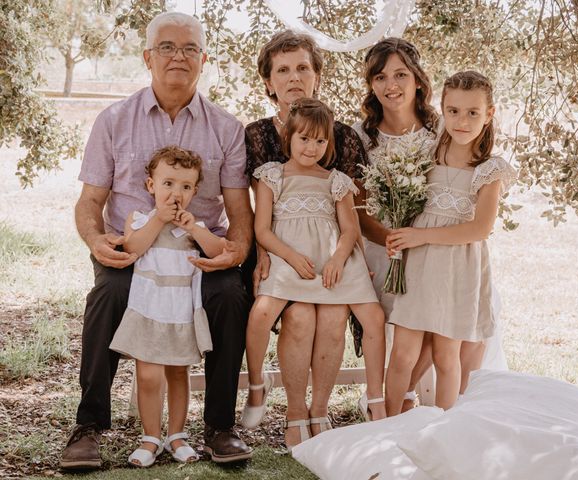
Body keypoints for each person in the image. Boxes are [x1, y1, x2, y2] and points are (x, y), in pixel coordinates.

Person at [60, 12, 253, 470]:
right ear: (148, 57)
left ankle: (220, 428)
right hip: (133, 251)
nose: (177, 56)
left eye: (189, 49)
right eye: (167, 47)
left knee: (228, 295)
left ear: (203, 60)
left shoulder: (225, 128)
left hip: (196, 255)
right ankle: (88, 428)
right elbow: (89, 202)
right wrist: (95, 240)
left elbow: (239, 215)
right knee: (108, 293)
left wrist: (236, 251)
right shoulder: (114, 120)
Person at [243, 30, 369, 449]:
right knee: (299, 316)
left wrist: (348, 258)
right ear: (268, 81)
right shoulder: (257, 135)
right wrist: (263, 253)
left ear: (317, 75)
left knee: (331, 317)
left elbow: (355, 213)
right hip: (280, 256)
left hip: (330, 257)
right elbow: (252, 208)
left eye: (302, 67)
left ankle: (320, 410)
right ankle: (294, 414)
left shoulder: (343, 136)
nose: (294, 77)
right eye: (283, 69)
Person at [384, 71, 517, 413]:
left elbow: (480, 229)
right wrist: (400, 235)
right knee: (403, 353)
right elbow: (407, 204)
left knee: (447, 355)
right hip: (419, 264)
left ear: (489, 115)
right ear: (442, 109)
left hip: (458, 267)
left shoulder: (489, 169)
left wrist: (419, 235)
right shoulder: (425, 155)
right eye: (454, 111)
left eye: (473, 112)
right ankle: (387, 422)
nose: (462, 121)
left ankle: (442, 427)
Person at [108, 146, 219, 467]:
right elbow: (133, 247)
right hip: (148, 312)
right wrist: (159, 218)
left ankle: (177, 435)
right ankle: (150, 437)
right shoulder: (140, 219)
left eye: (185, 187)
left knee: (178, 374)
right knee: (148, 376)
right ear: (151, 186)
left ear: (195, 191)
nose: (176, 193)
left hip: (180, 313)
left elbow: (214, 249)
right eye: (168, 183)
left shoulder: (191, 226)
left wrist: (195, 227)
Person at [352, 37, 439, 413]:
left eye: (401, 74)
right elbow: (357, 208)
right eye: (381, 77)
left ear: (418, 79)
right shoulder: (359, 137)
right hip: (381, 249)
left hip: (433, 245)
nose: (392, 85)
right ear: (371, 86)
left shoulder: (441, 133)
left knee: (445, 308)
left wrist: (421, 239)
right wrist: (392, 239)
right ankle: (389, 400)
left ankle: (404, 392)